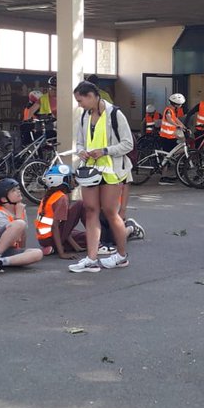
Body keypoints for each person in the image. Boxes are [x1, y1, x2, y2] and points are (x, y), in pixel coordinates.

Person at [68, 81, 135, 273]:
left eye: (80, 100)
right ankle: (91, 258)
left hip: (111, 171)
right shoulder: (84, 116)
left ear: (91, 96)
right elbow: (80, 142)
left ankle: (121, 256)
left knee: (110, 212)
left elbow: (127, 144)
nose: (79, 105)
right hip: (90, 171)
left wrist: (105, 151)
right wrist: (82, 151)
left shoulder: (115, 114)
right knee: (90, 210)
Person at [0, 178, 44, 275]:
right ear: (4, 199)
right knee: (20, 223)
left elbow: (22, 238)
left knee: (38, 253)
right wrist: (18, 216)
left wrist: (21, 252)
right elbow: (16, 235)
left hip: (7, 250)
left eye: (18, 189)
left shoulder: (20, 210)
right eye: (13, 190)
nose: (18, 192)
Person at [35, 164, 88, 259]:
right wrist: (62, 254)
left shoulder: (51, 195)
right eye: (71, 178)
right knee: (81, 204)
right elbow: (55, 226)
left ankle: (52, 248)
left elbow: (62, 225)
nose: (73, 180)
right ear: (63, 180)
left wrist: (76, 247)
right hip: (50, 237)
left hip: (44, 239)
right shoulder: (61, 198)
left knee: (82, 236)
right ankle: (57, 247)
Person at [157, 93, 186, 184]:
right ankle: (163, 177)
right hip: (166, 137)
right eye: (180, 104)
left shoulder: (173, 111)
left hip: (171, 137)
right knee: (167, 156)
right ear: (176, 104)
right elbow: (169, 118)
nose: (181, 106)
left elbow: (177, 120)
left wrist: (184, 127)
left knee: (175, 152)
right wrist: (177, 126)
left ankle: (173, 167)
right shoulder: (168, 110)